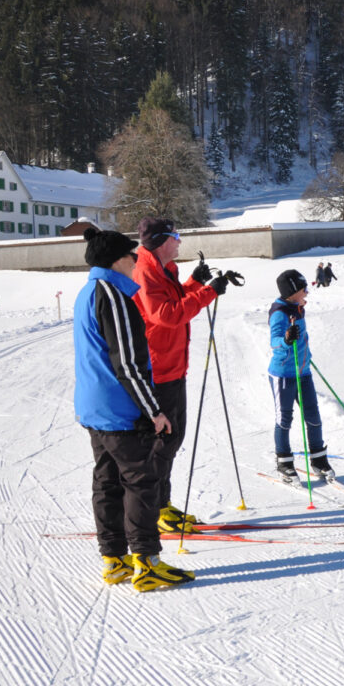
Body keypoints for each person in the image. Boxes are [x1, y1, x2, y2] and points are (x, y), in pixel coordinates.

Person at [73, 227, 193, 592]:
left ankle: (114, 559)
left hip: (94, 408)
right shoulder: (114, 295)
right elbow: (127, 362)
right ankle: (147, 562)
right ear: (119, 260)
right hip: (119, 409)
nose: (136, 262)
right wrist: (154, 410)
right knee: (141, 482)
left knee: (107, 482)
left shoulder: (88, 291)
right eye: (132, 257)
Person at [132, 218, 234, 534]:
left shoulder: (165, 269)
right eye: (176, 236)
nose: (180, 241)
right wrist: (208, 293)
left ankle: (162, 504)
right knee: (162, 443)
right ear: (163, 240)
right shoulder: (146, 272)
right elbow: (166, 315)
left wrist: (194, 283)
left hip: (173, 366)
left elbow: (174, 301)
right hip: (158, 370)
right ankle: (153, 509)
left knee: (173, 439)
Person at [269, 270, 335, 481]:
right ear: (291, 291)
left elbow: (303, 336)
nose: (306, 291)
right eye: (302, 288)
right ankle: (284, 462)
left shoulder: (298, 308)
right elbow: (275, 342)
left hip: (303, 371)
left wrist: (305, 354)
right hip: (284, 375)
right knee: (285, 419)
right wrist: (286, 341)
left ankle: (318, 459)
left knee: (313, 416)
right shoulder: (279, 312)